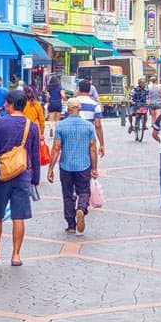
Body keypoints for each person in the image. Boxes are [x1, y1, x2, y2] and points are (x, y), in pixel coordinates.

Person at [0, 88, 41, 266]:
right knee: (19, 217)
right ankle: (16, 255)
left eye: (6, 103)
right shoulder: (31, 126)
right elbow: (35, 154)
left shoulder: (0, 123)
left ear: (10, 104)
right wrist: (35, 179)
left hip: (3, 175)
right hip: (23, 174)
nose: (4, 106)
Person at [47, 97, 99, 234]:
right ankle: (81, 209)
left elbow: (56, 148)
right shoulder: (88, 126)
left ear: (68, 110)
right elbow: (93, 149)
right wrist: (94, 168)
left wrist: (50, 168)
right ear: (79, 109)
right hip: (84, 164)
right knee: (84, 191)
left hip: (66, 165)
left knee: (67, 194)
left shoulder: (61, 126)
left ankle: (71, 224)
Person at [75, 78, 107, 160]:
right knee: (91, 151)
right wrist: (102, 144)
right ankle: (93, 169)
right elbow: (98, 125)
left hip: (73, 134)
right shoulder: (95, 105)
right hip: (88, 135)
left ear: (78, 89)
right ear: (90, 90)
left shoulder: (72, 103)